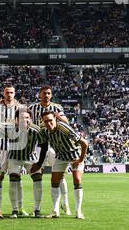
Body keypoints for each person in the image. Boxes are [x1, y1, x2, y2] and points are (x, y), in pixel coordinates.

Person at [31, 111, 88, 219]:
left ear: (55, 120)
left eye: (50, 120)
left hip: (74, 155)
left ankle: (78, 211)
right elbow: (43, 148)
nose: (48, 123)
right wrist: (39, 164)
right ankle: (55, 211)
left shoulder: (64, 128)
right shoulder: (43, 130)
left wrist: (81, 158)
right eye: (46, 121)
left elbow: (84, 143)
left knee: (77, 179)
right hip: (61, 156)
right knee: (54, 181)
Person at [29, 86, 71, 215]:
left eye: (48, 93)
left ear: (51, 95)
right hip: (38, 144)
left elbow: (66, 121)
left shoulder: (57, 107)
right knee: (37, 175)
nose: (46, 95)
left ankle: (65, 204)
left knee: (60, 175)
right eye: (44, 93)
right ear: (40, 95)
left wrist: (58, 117)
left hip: (54, 145)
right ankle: (37, 208)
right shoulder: (32, 108)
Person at [0, 84, 29, 217]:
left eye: (11, 92)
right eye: (7, 92)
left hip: (15, 146)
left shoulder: (20, 108)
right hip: (1, 147)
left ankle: (20, 207)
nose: (9, 95)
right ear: (3, 93)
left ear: (15, 93)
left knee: (17, 177)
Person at [7, 109, 46, 218]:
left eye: (27, 118)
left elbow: (44, 146)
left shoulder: (37, 130)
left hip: (30, 157)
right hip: (14, 158)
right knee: (13, 180)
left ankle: (37, 210)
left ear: (31, 119)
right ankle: (14, 210)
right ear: (16, 120)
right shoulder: (10, 129)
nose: (25, 120)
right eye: (22, 118)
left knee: (38, 179)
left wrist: (39, 163)